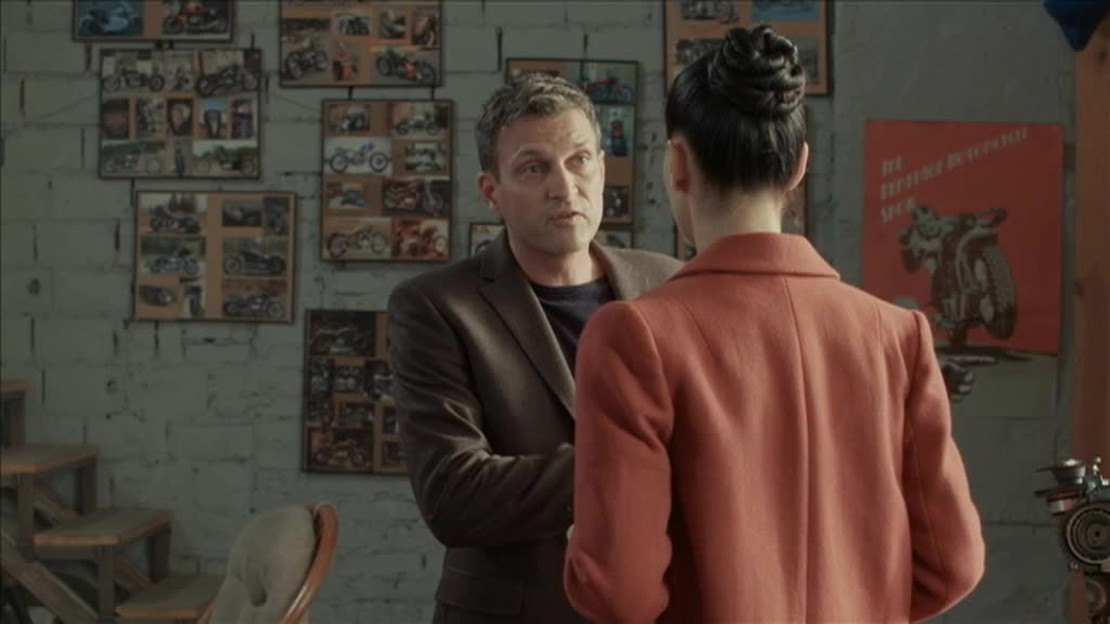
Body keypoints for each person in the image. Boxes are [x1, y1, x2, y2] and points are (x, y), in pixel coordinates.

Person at [564, 25, 986, 623]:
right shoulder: (897, 335)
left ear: (676, 164)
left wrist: (582, 550)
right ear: (799, 167)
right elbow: (953, 565)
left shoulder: (635, 336)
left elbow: (620, 592)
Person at [387, 73, 683, 623]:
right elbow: (453, 495)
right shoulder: (436, 307)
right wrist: (625, 465)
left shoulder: (669, 283)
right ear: (491, 192)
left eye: (579, 161)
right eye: (533, 168)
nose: (564, 188)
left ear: (602, 167)